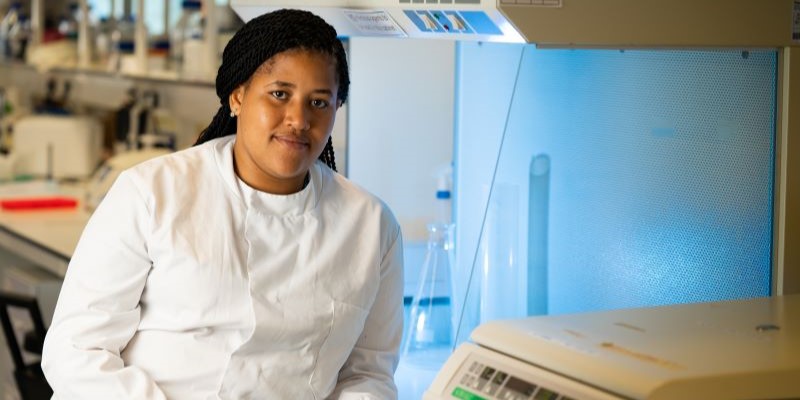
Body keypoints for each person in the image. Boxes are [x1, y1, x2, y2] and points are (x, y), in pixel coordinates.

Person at [41, 9, 404, 399]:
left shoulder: (370, 226)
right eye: (279, 94)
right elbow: (75, 351)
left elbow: (368, 373)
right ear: (237, 96)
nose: (298, 119)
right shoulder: (152, 194)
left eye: (319, 102)